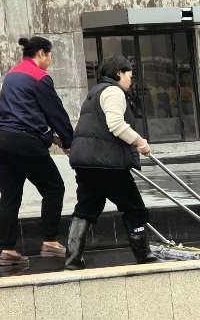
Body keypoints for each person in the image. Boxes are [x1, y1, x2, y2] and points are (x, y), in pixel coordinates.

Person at [0, 35, 75, 267]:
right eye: (50, 55)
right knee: (54, 188)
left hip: (1, 140)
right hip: (25, 144)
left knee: (10, 196)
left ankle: (7, 250)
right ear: (41, 53)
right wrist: (69, 142)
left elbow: (21, 113)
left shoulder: (12, 74)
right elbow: (56, 113)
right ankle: (50, 241)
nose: (50, 60)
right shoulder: (39, 77)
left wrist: (49, 136)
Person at [64, 54, 156, 269]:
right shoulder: (114, 92)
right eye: (129, 75)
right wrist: (140, 142)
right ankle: (144, 255)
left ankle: (73, 258)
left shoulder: (94, 93)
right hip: (107, 162)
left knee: (87, 207)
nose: (130, 80)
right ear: (118, 73)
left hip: (86, 162)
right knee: (134, 208)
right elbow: (116, 124)